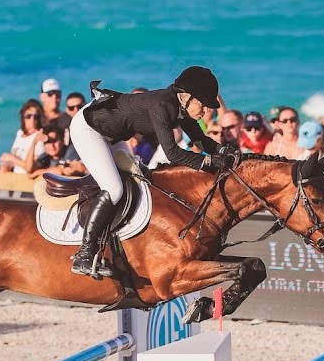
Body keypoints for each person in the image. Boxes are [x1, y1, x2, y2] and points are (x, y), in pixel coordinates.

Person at [66, 65, 225, 277]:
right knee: (114, 189)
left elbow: (201, 140)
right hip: (88, 129)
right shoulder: (162, 106)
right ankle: (84, 255)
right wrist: (208, 162)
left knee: (138, 181)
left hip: (112, 135)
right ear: (187, 97)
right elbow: (173, 154)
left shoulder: (180, 107)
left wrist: (226, 152)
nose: (206, 112)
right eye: (203, 105)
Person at [0, 99, 45, 173]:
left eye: (36, 116)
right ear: (23, 117)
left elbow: (30, 167)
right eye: (28, 116)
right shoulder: (20, 133)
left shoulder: (39, 136)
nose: (32, 119)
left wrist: (12, 158)